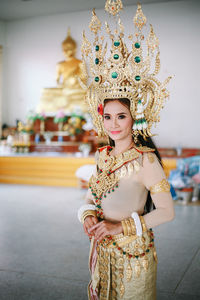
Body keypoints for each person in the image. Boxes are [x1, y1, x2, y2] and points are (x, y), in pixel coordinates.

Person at [78, 1, 174, 299]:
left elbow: (167, 212)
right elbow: (91, 197)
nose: (113, 124)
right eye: (108, 116)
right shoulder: (102, 156)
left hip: (134, 254)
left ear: (135, 117)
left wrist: (121, 227)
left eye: (121, 116)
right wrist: (88, 216)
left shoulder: (146, 162)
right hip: (101, 250)